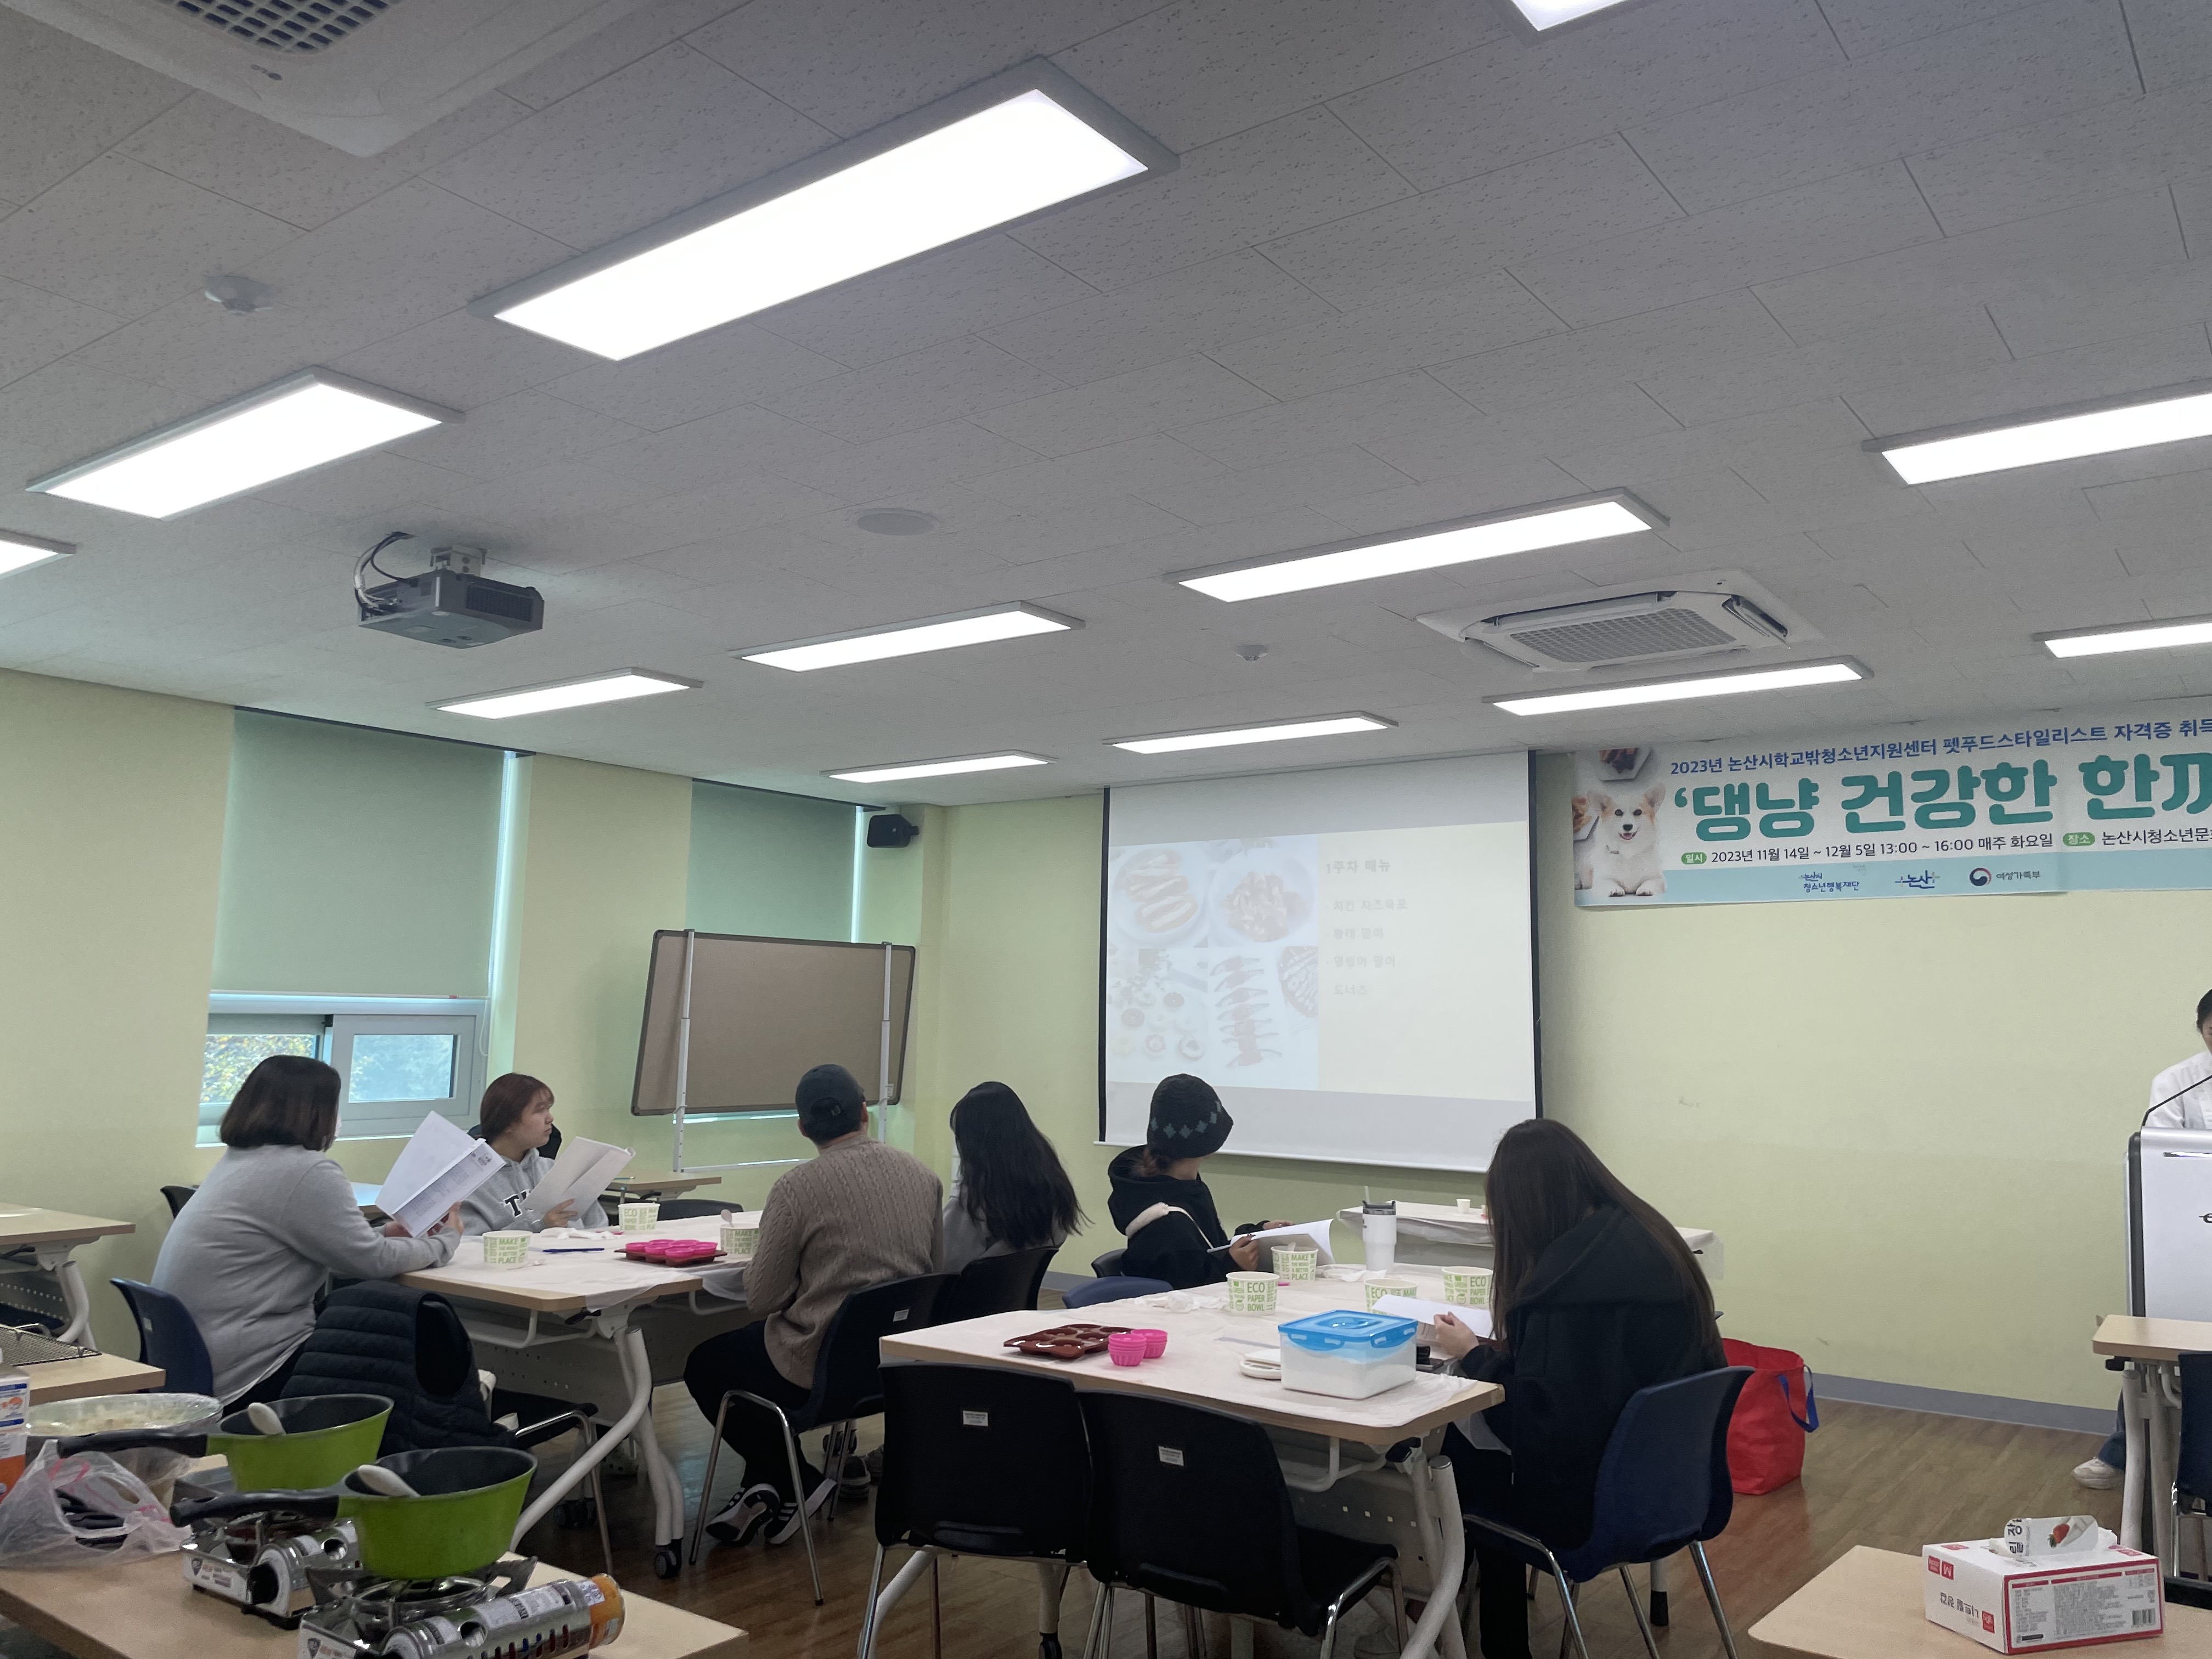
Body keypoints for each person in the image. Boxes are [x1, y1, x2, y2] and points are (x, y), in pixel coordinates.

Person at [1425, 1119, 1724, 1659]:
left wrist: (1473, 1355)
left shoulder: (1566, 1291)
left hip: (1592, 1508)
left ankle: (1454, 1623)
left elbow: (1540, 1430)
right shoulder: (1650, 1239)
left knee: (1458, 1463)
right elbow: (1585, 1387)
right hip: (1677, 1489)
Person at [683, 1064, 941, 1550]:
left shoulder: (796, 1188)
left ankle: (792, 1478)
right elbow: (932, 1271)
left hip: (816, 1364)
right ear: (865, 1113)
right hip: (893, 1363)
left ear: (802, 1127)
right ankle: (771, 1483)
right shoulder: (924, 1178)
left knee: (707, 1364)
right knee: (742, 1359)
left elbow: (762, 1299)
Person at [153, 1055, 462, 1408]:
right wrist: (445, 1241)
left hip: (198, 1364)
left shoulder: (238, 1161)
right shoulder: (307, 1170)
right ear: (316, 1112)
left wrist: (387, 1233)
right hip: (251, 1370)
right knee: (402, 1323)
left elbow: (337, 1247)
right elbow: (370, 1262)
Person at [2074, 988, 2212, 1488]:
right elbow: (2157, 1161)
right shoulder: (2177, 1083)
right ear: (2201, 1029)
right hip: (2193, 1236)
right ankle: (2124, 1455)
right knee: (2153, 1340)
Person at [1104, 1074, 1284, 1288]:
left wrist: (1256, 1234)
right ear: (1207, 1144)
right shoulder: (1168, 1222)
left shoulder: (1184, 1187)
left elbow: (1209, 1250)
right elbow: (1187, 1290)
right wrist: (1232, 1266)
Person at [941, 1081, 1085, 1273]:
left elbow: (944, 1264)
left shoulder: (971, 1200)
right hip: (1018, 1291)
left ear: (974, 1145)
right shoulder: (1053, 1185)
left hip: (970, 1292)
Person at [459, 1072, 607, 1234]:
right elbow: (473, 1244)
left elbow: (600, 1227)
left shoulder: (555, 1170)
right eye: (540, 1110)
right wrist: (540, 1227)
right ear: (508, 1123)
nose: (550, 1118)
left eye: (548, 1109)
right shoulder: (470, 1185)